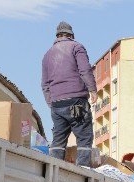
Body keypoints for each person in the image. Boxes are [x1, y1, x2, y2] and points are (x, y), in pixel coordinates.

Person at [41, 21, 96, 167]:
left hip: (57, 104)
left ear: (57, 36)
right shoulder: (76, 47)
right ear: (71, 35)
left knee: (58, 141)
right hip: (76, 101)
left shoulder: (47, 55)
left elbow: (45, 84)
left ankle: (54, 170)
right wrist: (93, 90)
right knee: (84, 137)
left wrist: (51, 103)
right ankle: (82, 171)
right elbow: (85, 70)